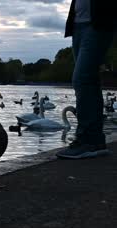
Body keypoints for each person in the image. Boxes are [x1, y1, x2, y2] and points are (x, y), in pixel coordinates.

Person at [56, 0, 117, 159]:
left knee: (81, 79)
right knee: (90, 81)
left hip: (98, 24)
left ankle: (85, 140)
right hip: (78, 25)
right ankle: (95, 141)